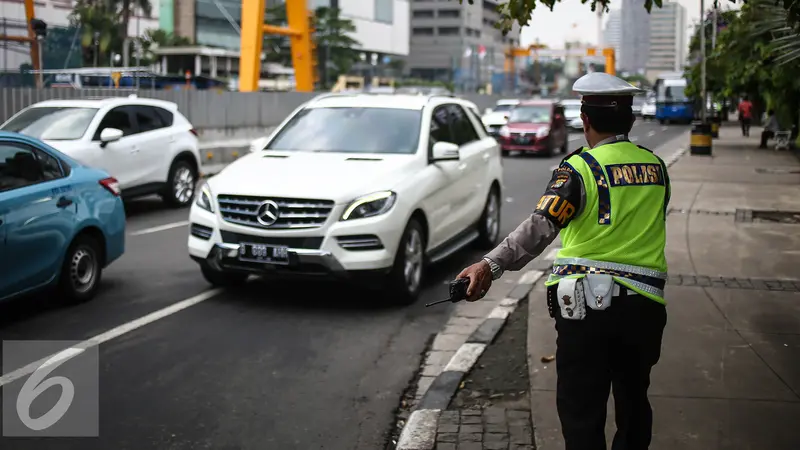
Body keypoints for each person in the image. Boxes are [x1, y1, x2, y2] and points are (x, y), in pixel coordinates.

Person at [457, 72, 670, 450]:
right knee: (634, 404)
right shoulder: (656, 168)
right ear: (631, 120)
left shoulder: (580, 169)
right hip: (645, 309)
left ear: (585, 120)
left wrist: (489, 266)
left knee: (581, 411)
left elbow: (541, 226)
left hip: (588, 311)